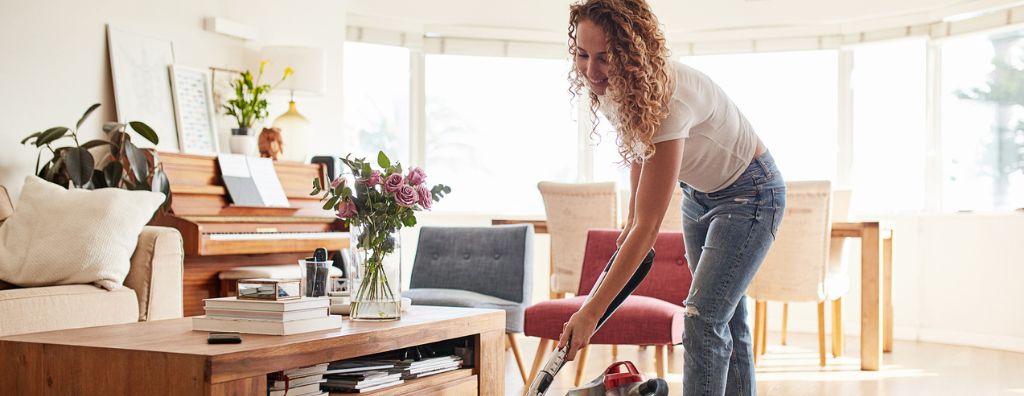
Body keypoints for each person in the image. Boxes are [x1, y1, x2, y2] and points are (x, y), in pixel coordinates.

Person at [556, 0, 786, 394]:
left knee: (702, 320)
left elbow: (649, 230)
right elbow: (639, 147)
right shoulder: (615, 86)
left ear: (632, 54)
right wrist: (630, 215)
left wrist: (590, 313)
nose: (591, 72)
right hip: (697, 195)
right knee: (726, 319)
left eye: (604, 58)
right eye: (582, 54)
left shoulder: (667, 99)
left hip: (751, 194)